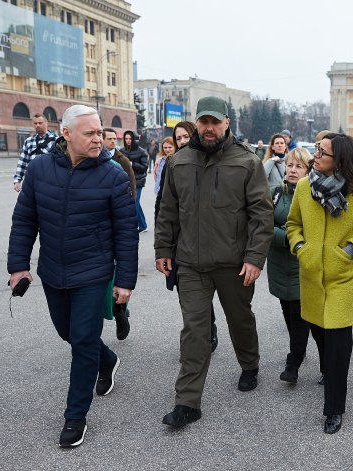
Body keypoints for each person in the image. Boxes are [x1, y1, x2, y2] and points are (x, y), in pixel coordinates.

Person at [7, 105, 138, 448]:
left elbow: (126, 233)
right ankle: (107, 360)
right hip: (53, 272)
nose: (99, 139)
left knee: (82, 341)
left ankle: (75, 416)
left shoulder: (113, 176)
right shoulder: (39, 169)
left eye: (100, 132)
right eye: (90, 133)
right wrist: (18, 265)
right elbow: (24, 220)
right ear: (66, 134)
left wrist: (125, 280)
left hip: (93, 273)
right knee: (70, 334)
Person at [155, 96, 273, 428]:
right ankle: (187, 402)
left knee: (239, 319)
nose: (209, 128)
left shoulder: (247, 162)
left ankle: (249, 363)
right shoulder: (180, 161)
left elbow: (261, 216)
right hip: (190, 263)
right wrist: (163, 249)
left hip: (233, 263)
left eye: (215, 122)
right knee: (195, 329)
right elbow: (167, 212)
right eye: (203, 122)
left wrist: (254, 258)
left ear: (226, 124)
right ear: (196, 124)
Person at [286, 133, 353, 434]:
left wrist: (350, 249)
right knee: (319, 331)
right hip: (311, 274)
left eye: (323, 153)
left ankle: (334, 408)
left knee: (339, 340)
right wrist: (300, 248)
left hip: (344, 275)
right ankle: (327, 369)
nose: (316, 157)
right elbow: (292, 224)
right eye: (317, 151)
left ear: (340, 160)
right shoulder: (303, 187)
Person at [154, 121, 220, 352]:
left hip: (204, 241)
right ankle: (197, 336)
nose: (181, 141)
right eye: (177, 138)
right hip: (178, 242)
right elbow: (162, 207)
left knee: (202, 291)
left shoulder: (204, 162)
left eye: (185, 137)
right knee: (187, 293)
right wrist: (161, 246)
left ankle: (207, 330)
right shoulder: (172, 165)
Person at [267, 147, 314, 384]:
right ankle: (299, 350)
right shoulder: (275, 192)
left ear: (308, 170)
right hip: (277, 264)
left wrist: (286, 235)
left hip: (300, 264)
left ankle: (293, 360)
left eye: (299, 166)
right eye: (290, 165)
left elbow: (310, 229)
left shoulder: (313, 194)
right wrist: (286, 236)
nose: (293, 170)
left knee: (299, 314)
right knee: (287, 309)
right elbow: (263, 225)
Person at [102, 127, 138, 340]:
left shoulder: (118, 162)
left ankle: (120, 312)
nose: (110, 142)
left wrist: (128, 213)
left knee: (112, 282)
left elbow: (130, 187)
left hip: (112, 228)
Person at [12, 114, 57, 192]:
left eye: (40, 123)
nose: (37, 125)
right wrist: (17, 180)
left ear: (46, 123)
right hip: (32, 180)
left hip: (50, 181)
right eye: (35, 123)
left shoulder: (56, 140)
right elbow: (22, 161)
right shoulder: (28, 141)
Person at [121, 130, 149, 232]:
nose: (128, 141)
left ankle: (132, 226)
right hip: (126, 181)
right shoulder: (121, 150)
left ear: (135, 140)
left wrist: (132, 164)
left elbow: (145, 167)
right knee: (136, 204)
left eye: (130, 139)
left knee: (133, 204)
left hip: (138, 181)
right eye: (126, 139)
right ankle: (143, 226)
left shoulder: (142, 152)